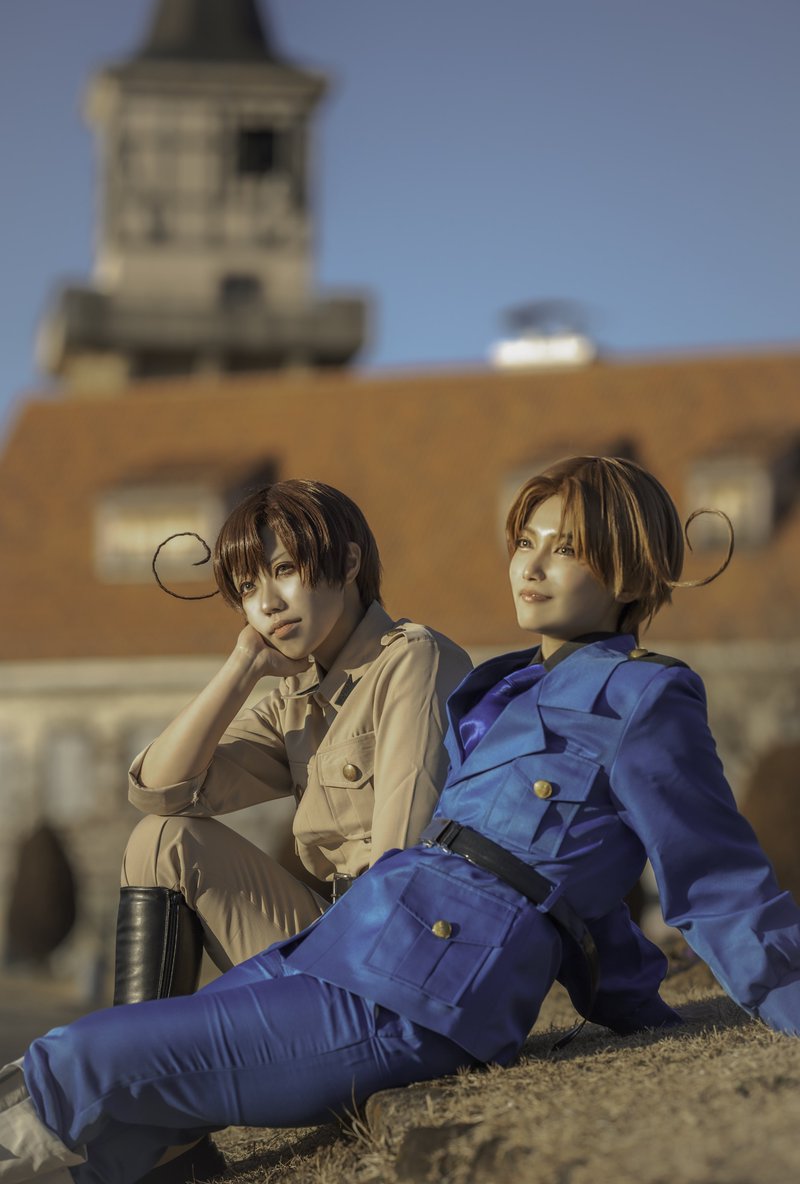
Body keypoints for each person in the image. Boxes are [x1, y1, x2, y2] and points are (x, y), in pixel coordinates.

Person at [5, 455, 800, 1184]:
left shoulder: (645, 697)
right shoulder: (503, 691)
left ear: (629, 566)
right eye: (525, 542)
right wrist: (634, 1006)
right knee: (124, 1122)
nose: (531, 566)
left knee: (80, 1060)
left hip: (418, 984)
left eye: (565, 548)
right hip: (346, 949)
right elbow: (576, 889)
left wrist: (787, 997)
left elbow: (714, 877)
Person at [114, 478, 472, 1003]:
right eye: (246, 588)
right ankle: (137, 1041)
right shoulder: (297, 700)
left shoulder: (414, 660)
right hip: (340, 934)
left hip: (409, 957)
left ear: (348, 564)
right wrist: (243, 666)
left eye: (283, 570)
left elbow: (405, 866)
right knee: (161, 841)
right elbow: (159, 791)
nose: (267, 604)